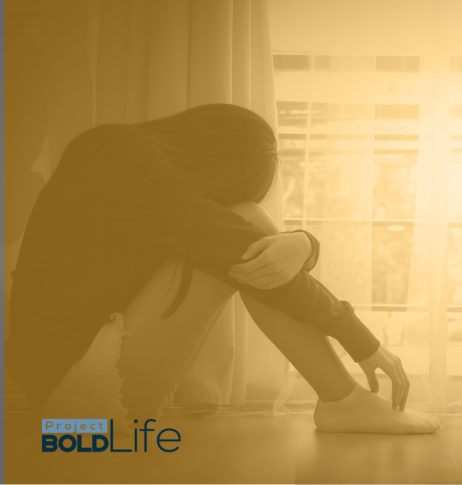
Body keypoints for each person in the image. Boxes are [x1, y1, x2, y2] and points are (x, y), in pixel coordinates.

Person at [8, 103, 439, 434]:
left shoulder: (121, 156)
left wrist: (304, 244)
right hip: (79, 413)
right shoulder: (120, 156)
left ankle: (342, 400)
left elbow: (234, 240)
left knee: (248, 227)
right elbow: (237, 244)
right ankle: (342, 400)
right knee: (247, 225)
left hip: (80, 395)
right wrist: (359, 338)